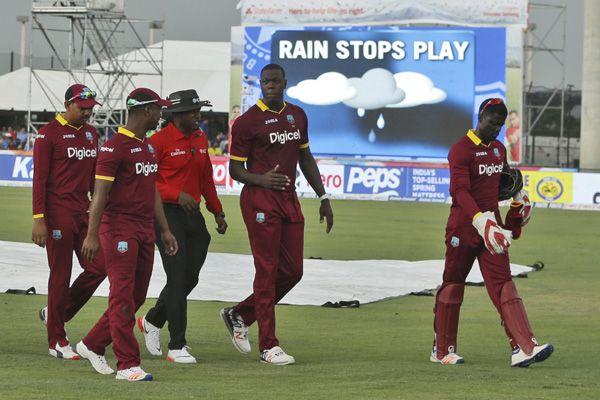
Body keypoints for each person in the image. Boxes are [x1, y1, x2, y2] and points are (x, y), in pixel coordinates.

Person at [221, 63, 334, 365]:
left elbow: (305, 157)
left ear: (285, 83)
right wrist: (261, 179)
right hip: (259, 200)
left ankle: (240, 314)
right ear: (261, 84)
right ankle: (268, 346)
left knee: (293, 271)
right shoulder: (246, 122)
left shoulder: (297, 115)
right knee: (267, 271)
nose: (269, 85)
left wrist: (323, 196)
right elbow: (235, 169)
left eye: (275, 81)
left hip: (289, 199)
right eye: (265, 81)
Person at [431, 98, 553, 367]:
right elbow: (460, 192)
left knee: (504, 284)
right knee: (452, 286)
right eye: (491, 123)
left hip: (492, 229)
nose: (495, 129)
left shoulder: (499, 149)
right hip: (463, 228)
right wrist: (480, 220)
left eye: (499, 125)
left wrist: (520, 201)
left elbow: (507, 182)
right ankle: (442, 350)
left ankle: (524, 347)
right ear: (480, 117)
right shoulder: (460, 150)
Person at [77, 88, 178, 381]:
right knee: (121, 295)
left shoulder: (147, 147)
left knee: (136, 296)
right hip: (118, 228)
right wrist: (92, 235)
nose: (161, 115)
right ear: (146, 111)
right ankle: (127, 364)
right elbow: (100, 194)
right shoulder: (113, 148)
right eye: (159, 110)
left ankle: (92, 344)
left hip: (144, 228)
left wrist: (165, 229)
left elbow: (153, 191)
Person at [137, 89, 227, 364]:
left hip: (193, 215)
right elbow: (147, 184)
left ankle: (152, 320)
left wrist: (218, 211)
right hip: (165, 215)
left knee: (189, 278)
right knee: (177, 278)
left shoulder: (200, 138)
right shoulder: (157, 142)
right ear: (176, 116)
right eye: (192, 111)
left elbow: (206, 178)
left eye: (198, 109)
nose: (197, 115)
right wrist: (176, 195)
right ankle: (177, 346)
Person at [31, 84, 106, 360]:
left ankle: (56, 313)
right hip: (57, 213)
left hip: (83, 212)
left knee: (101, 266)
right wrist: (39, 219)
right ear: (67, 105)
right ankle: (57, 341)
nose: (87, 113)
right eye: (82, 108)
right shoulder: (47, 135)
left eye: (90, 108)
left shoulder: (90, 133)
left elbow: (92, 177)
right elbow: (39, 180)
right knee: (60, 275)